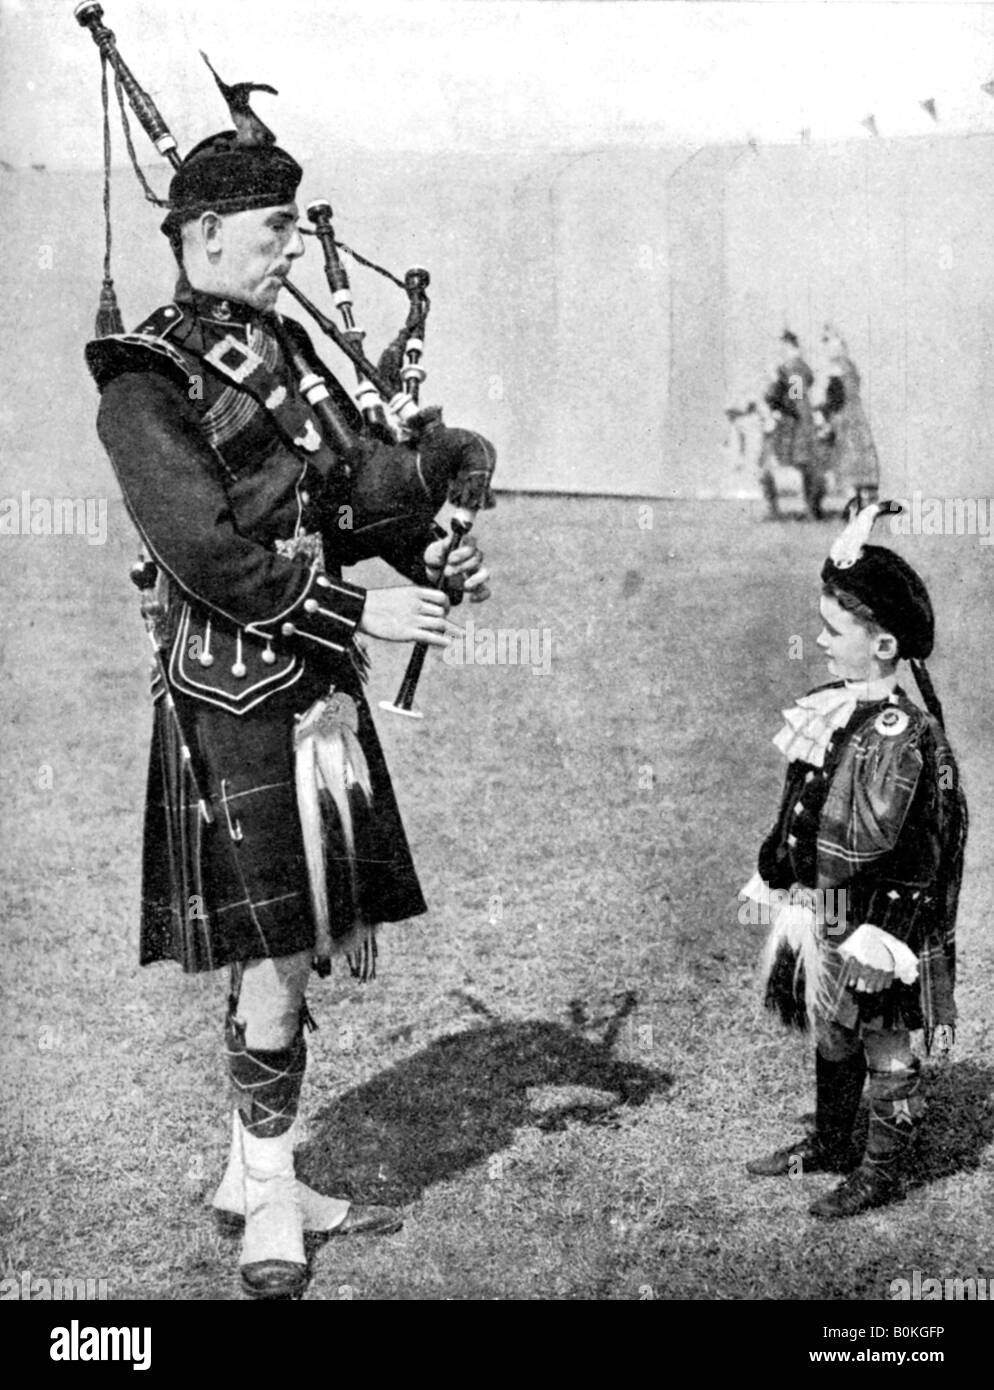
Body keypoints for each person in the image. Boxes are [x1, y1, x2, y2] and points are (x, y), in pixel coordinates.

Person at [84, 90, 494, 1299]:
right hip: (235, 690)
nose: (287, 252)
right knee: (272, 952)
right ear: (203, 236)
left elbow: (337, 490)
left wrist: (429, 498)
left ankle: (246, 1167)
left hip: (309, 684)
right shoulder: (142, 381)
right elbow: (205, 553)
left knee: (295, 943)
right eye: (271, 233)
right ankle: (271, 1194)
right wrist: (358, 607)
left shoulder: (278, 351)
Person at [740, 501, 968, 1218]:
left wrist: (892, 935)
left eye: (835, 630)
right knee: (833, 1025)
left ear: (884, 644)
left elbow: (921, 846)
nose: (819, 639)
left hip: (880, 926)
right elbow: (800, 800)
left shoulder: (903, 735)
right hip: (827, 907)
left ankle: (881, 1169)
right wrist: (775, 872)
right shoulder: (831, 706)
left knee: (885, 1046)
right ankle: (834, 1144)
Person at [759, 330, 826, 521]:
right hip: (797, 419)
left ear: (789, 346)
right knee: (804, 466)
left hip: (795, 421)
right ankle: (810, 511)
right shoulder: (796, 367)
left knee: (798, 465)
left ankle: (807, 511)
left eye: (781, 347)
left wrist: (775, 386)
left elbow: (795, 396)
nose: (779, 351)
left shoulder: (795, 367)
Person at [816, 324, 880, 514]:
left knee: (843, 462)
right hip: (852, 416)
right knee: (855, 462)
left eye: (830, 341)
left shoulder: (837, 367)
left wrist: (820, 411)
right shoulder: (847, 365)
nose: (826, 346)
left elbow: (835, 397)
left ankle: (817, 509)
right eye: (825, 341)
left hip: (841, 417)